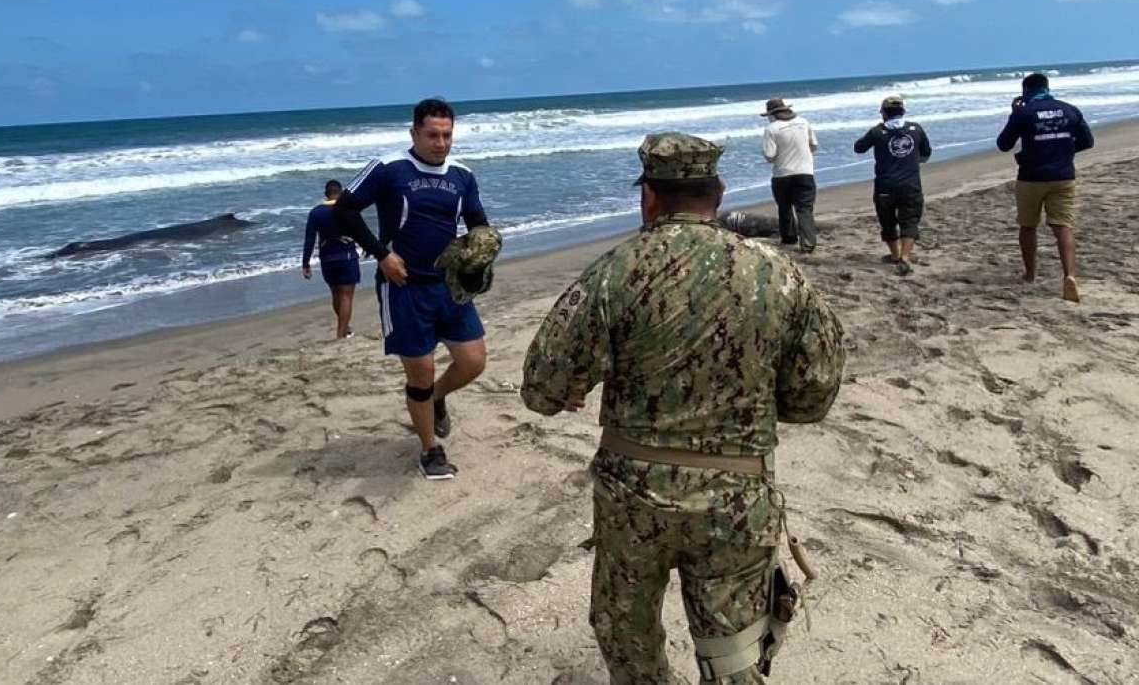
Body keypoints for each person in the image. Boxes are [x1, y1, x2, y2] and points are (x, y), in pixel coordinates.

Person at [520, 132, 846, 684]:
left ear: (648, 196)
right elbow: (814, 395)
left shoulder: (612, 272)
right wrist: (749, 403)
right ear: (717, 193)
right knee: (734, 650)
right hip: (737, 495)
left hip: (634, 494)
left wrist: (584, 380)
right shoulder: (778, 274)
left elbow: (540, 388)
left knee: (625, 631)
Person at [333, 98, 489, 480]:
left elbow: (478, 224)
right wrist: (382, 255)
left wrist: (480, 258)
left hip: (449, 287)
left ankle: (436, 399)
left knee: (473, 361)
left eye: (447, 135)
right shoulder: (388, 169)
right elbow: (344, 211)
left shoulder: (462, 175)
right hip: (403, 287)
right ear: (414, 133)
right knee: (419, 373)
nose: (441, 143)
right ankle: (430, 450)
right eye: (432, 135)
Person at [996, 72, 1094, 302]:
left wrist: (1015, 114)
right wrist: (1063, 150)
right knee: (1063, 226)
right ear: (1047, 87)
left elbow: (1003, 144)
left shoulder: (1024, 113)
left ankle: (1030, 274)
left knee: (1028, 226)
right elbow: (1087, 141)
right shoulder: (1070, 109)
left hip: (1032, 177)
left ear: (1025, 91)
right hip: (1064, 176)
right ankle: (1069, 275)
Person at [854, 95, 931, 276]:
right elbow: (926, 154)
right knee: (910, 219)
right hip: (910, 184)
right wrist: (909, 161)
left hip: (885, 185)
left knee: (887, 221)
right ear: (902, 112)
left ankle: (896, 254)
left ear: (884, 114)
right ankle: (905, 256)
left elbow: (858, 148)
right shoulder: (916, 129)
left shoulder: (877, 132)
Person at [302, 179, 360, 338]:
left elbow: (309, 239)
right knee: (346, 296)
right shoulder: (348, 209)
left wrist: (305, 263)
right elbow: (360, 232)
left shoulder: (316, 212)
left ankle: (345, 328)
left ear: (326, 194)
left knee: (336, 295)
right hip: (347, 256)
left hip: (327, 258)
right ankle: (341, 334)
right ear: (340, 192)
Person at [760, 98, 819, 253]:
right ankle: (808, 243)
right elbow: (814, 145)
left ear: (772, 114)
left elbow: (769, 155)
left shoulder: (771, 129)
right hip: (805, 172)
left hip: (782, 174)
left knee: (784, 208)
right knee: (804, 209)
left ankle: (789, 238)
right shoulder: (803, 122)